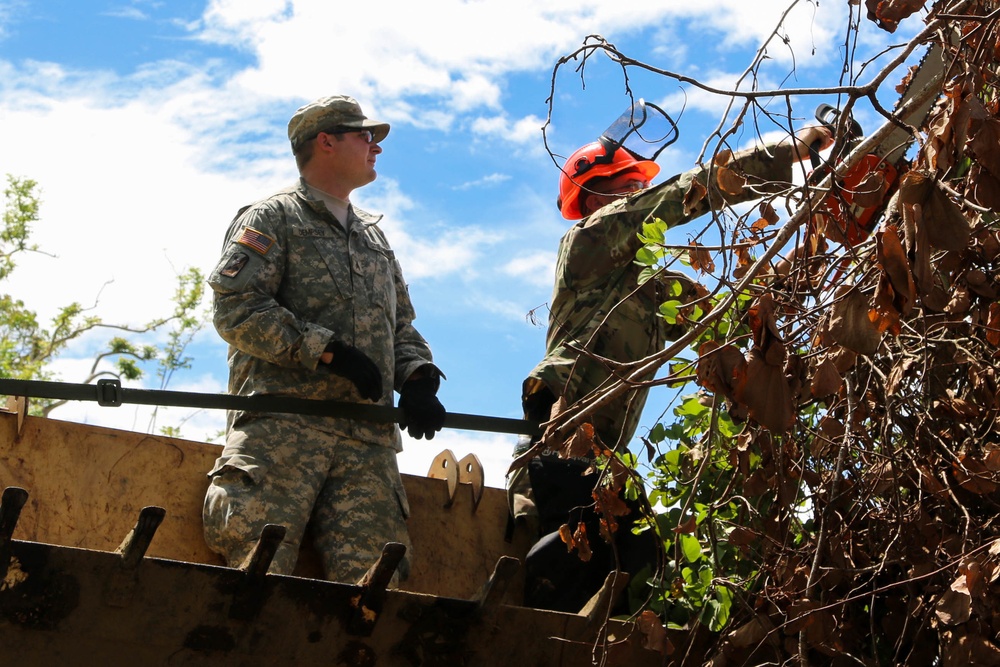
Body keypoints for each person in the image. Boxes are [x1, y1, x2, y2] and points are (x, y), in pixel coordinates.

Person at [509, 124, 833, 612]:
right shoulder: (585, 244)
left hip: (600, 457)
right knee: (604, 552)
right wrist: (786, 151)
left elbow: (726, 325)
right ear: (596, 200)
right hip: (557, 438)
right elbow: (680, 196)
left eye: (639, 184)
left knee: (632, 561)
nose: (639, 192)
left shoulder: (653, 287)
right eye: (627, 186)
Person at [202, 95, 446, 585]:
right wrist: (326, 351)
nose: (375, 146)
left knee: (380, 588)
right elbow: (235, 306)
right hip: (286, 428)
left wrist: (417, 377)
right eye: (365, 135)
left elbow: (400, 326)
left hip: (366, 440)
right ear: (326, 141)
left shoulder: (374, 239)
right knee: (256, 575)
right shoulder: (273, 218)